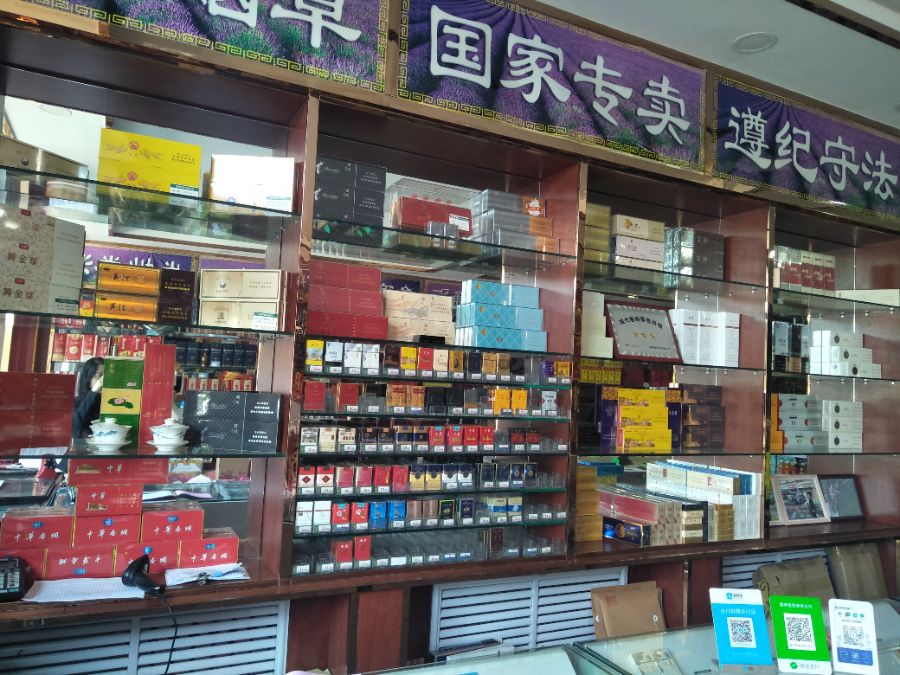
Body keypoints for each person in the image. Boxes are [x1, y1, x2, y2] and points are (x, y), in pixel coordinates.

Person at [71, 357, 104, 438]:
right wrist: (93, 392)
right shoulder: (76, 402)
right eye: (98, 375)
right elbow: (75, 427)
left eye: (105, 376)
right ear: (88, 378)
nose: (102, 381)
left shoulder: (110, 403)